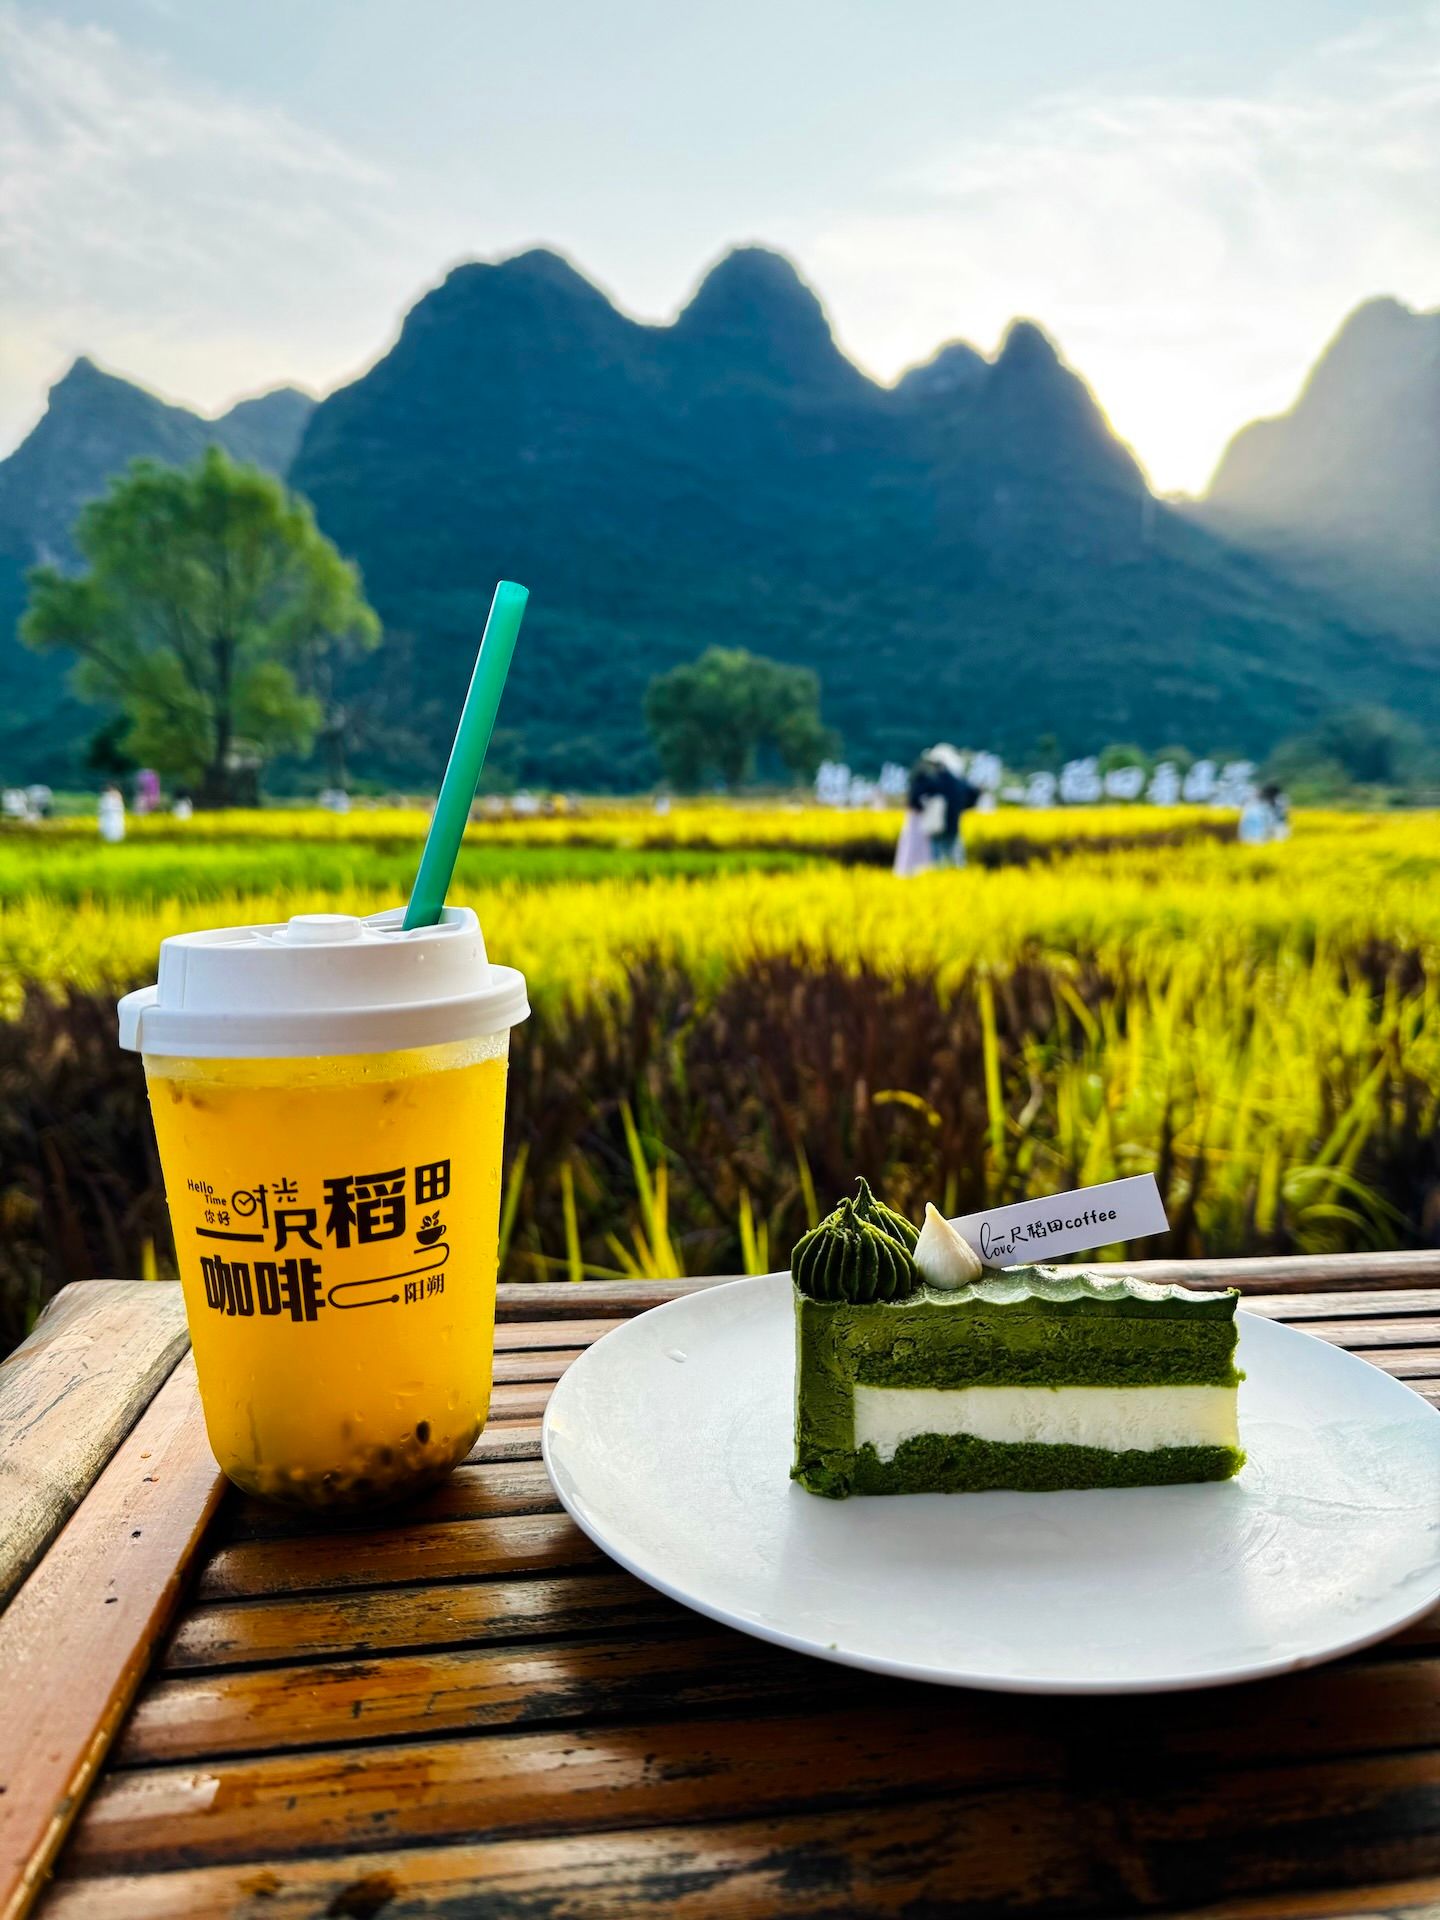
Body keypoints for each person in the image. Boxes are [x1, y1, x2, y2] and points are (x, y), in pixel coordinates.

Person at [909, 744, 980, 867]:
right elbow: (974, 794)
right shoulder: (958, 782)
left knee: (937, 858)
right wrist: (961, 807)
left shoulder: (933, 780)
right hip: (953, 824)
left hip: (936, 825)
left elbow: (915, 798)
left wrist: (924, 808)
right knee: (956, 857)